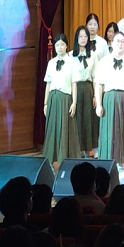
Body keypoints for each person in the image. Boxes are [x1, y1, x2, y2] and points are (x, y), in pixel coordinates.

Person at [94, 32, 124, 166]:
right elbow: (99, 85)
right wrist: (99, 104)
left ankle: (123, 164)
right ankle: (110, 165)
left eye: (122, 41)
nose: (120, 44)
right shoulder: (104, 61)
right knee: (109, 132)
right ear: (112, 43)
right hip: (109, 99)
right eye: (117, 41)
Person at [43, 33, 79, 164]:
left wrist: (74, 103)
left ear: (66, 46)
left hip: (65, 99)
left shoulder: (72, 63)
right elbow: (48, 84)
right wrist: (45, 103)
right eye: (57, 45)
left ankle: (65, 161)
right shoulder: (51, 63)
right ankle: (50, 162)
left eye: (62, 45)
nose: (60, 47)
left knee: (64, 130)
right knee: (52, 130)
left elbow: (74, 85)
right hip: (53, 98)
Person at [70, 25, 97, 158]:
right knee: (77, 120)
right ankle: (77, 150)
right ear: (76, 38)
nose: (83, 39)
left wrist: (95, 95)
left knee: (87, 119)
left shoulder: (93, 55)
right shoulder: (70, 55)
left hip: (88, 89)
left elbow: (95, 77)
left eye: (85, 36)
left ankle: (88, 150)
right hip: (75, 89)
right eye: (80, 36)